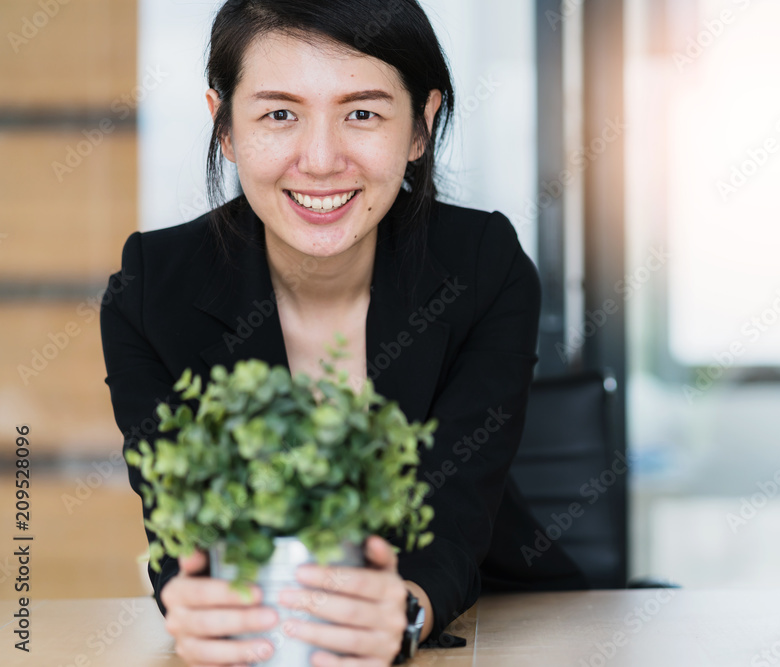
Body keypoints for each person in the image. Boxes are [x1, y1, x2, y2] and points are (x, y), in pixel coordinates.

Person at [100, 1, 586, 665]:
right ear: (225, 127)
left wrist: (405, 611)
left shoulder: (483, 267)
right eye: (279, 113)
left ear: (422, 124)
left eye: (362, 113)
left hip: (491, 629)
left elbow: (453, 516)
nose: (322, 160)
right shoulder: (154, 289)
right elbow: (182, 526)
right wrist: (196, 599)